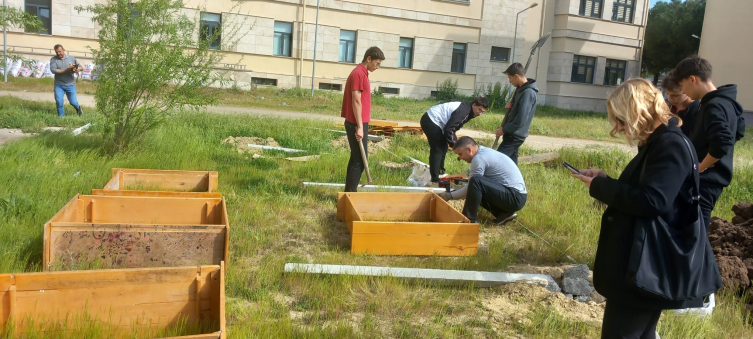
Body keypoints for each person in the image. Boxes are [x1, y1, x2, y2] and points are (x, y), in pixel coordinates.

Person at [571, 78, 704, 338]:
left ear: (638, 111)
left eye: (621, 120)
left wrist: (601, 187)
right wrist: (606, 180)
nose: (618, 128)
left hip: (645, 264)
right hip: (641, 262)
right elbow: (647, 191)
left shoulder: (670, 144)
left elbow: (653, 201)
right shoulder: (657, 142)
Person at [674, 56, 746, 230]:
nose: (683, 91)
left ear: (693, 79)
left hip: (705, 183)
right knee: (695, 231)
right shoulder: (727, 101)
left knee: (696, 233)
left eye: (682, 85)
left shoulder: (713, 105)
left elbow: (722, 141)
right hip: (712, 181)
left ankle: (703, 258)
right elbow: (739, 130)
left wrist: (702, 165)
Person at [438, 136, 526, 225]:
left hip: (515, 197)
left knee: (476, 181)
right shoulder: (483, 152)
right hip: (514, 195)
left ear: (469, 149)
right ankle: (504, 214)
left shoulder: (478, 159)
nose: (460, 158)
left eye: (460, 154)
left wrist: (448, 196)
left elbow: (470, 188)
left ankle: (469, 221)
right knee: (476, 187)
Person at [342, 46, 385, 192]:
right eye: (377, 63)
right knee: (359, 160)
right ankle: (350, 195)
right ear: (369, 59)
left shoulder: (362, 73)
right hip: (355, 123)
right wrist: (360, 126)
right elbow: (356, 100)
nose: (378, 67)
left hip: (358, 122)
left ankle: (348, 192)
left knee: (356, 159)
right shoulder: (359, 73)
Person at [420, 97, 489, 183]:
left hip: (439, 122)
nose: (480, 113)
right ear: (474, 104)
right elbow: (449, 129)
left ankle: (440, 173)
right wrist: (456, 146)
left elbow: (453, 128)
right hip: (431, 119)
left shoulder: (469, 110)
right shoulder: (464, 111)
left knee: (443, 147)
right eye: (479, 110)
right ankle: (435, 179)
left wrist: (454, 143)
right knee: (437, 148)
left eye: (482, 112)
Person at [496, 62, 538, 164]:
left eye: (510, 78)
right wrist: (511, 107)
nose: (510, 81)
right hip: (512, 134)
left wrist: (504, 129)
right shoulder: (520, 90)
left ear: (516, 76)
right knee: (511, 164)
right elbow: (518, 110)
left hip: (515, 136)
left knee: (496, 161)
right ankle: (515, 180)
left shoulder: (528, 93)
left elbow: (520, 120)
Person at [661, 70, 699, 137]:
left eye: (675, 95)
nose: (670, 99)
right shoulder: (663, 106)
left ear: (686, 90)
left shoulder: (698, 110)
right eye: (667, 94)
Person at [49, 44, 84, 117]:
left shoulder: (71, 58)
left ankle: (78, 108)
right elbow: (53, 70)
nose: (58, 53)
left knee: (73, 102)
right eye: (57, 52)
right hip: (59, 85)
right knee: (59, 101)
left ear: (63, 50)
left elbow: (81, 67)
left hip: (70, 84)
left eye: (60, 51)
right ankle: (61, 118)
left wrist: (78, 69)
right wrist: (66, 71)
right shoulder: (53, 59)